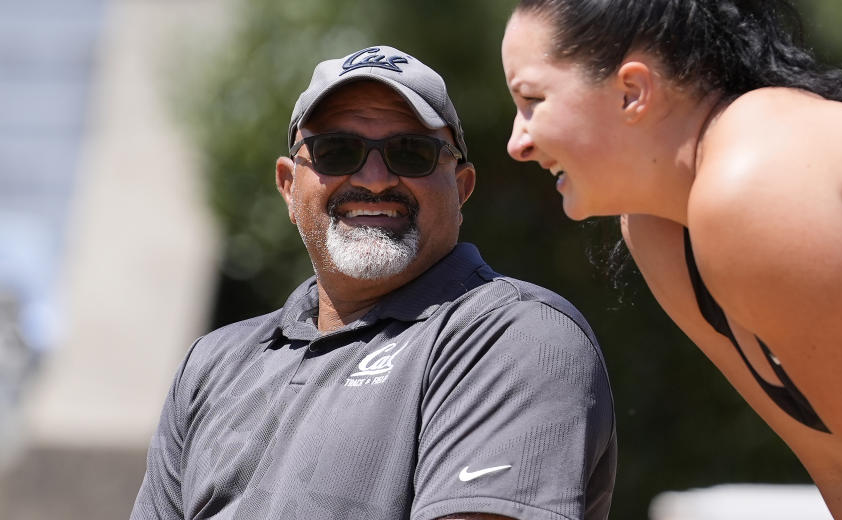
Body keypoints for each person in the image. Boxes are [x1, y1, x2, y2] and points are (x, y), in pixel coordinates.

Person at [501, 0, 842, 520]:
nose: (517, 142)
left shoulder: (755, 186)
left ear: (632, 90)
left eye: (532, 101)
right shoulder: (659, 227)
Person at [131, 45, 617, 520]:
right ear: (287, 185)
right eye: (336, 150)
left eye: (412, 152)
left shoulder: (513, 337)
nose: (377, 178)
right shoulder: (211, 365)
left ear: (462, 187)